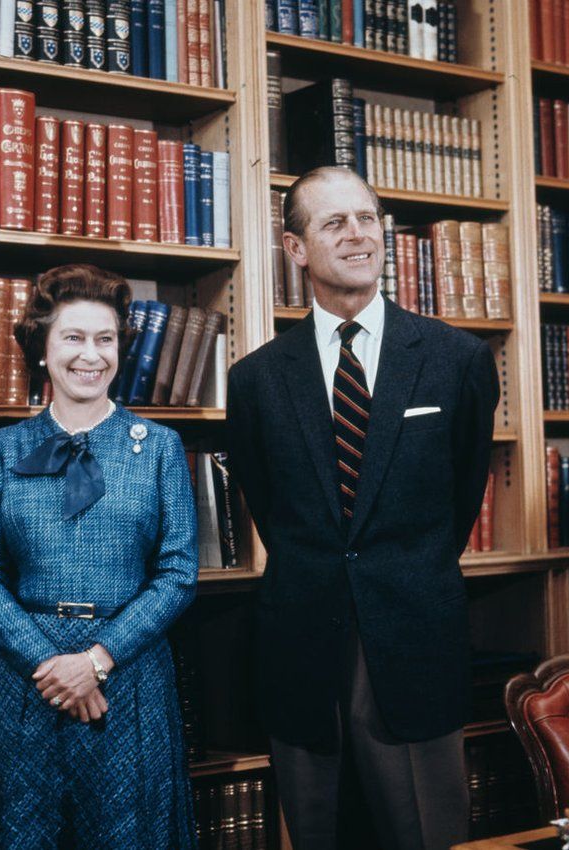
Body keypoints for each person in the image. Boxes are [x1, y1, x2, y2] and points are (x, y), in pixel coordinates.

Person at [226, 167, 499, 850]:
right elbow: (269, 506)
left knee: (427, 836)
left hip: (415, 639)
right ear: (295, 249)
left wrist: (404, 568)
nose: (358, 235)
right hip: (301, 648)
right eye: (334, 223)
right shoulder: (255, 379)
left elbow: (464, 490)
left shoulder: (455, 359)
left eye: (368, 218)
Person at [0, 263, 199, 849]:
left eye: (105, 339)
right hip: (28, 682)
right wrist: (52, 665)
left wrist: (95, 661)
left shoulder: (160, 447)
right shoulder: (3, 449)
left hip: (130, 678)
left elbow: (178, 574)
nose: (90, 355)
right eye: (73, 337)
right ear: (42, 347)